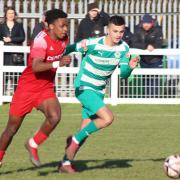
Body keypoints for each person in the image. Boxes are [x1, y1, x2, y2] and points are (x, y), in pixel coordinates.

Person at [58, 15, 139, 173]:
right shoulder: (93, 43)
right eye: (115, 31)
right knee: (108, 118)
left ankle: (65, 163)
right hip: (84, 87)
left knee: (84, 132)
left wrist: (130, 67)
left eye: (121, 32)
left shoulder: (123, 49)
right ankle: (73, 140)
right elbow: (71, 48)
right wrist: (58, 57)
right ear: (108, 30)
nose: (118, 35)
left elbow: (123, 74)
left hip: (98, 92)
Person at [0, 9, 71, 167]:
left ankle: (32, 144)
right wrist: (58, 63)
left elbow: (64, 50)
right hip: (26, 89)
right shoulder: (41, 40)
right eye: (62, 25)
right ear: (51, 26)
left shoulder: (64, 39)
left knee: (55, 116)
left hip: (45, 88)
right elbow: (36, 66)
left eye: (67, 25)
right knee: (11, 129)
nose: (66, 29)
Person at [132, 13, 163, 97]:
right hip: (144, 60)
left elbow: (159, 43)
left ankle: (155, 98)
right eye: (144, 23)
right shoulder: (138, 30)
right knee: (146, 80)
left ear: (151, 23)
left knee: (155, 80)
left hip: (156, 60)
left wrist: (153, 46)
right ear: (142, 23)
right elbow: (134, 43)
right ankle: (147, 98)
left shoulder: (158, 30)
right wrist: (146, 46)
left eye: (148, 23)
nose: (146, 25)